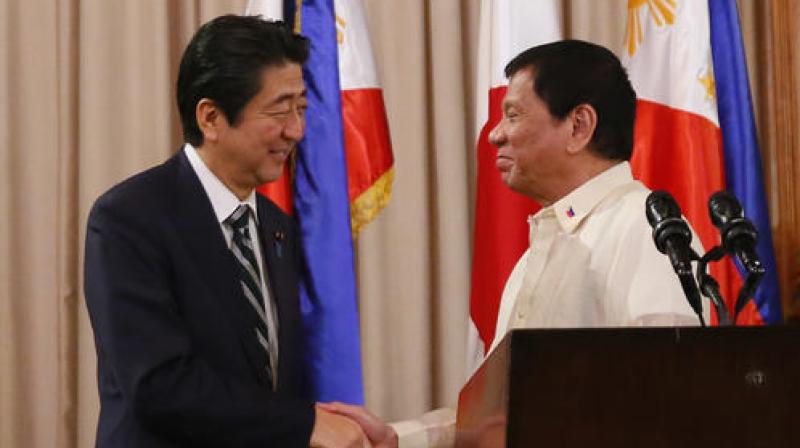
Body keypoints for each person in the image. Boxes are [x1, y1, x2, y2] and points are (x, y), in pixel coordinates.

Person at [326, 39, 706, 448]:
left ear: (579, 126)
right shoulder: (534, 255)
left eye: (513, 115)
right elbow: (497, 419)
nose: (495, 135)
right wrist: (398, 438)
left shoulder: (646, 229)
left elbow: (666, 401)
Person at [84, 15, 395, 447]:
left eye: (302, 108)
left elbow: (269, 383)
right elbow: (160, 385)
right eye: (280, 109)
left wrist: (330, 421)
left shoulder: (276, 227)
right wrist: (303, 423)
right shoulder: (128, 219)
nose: (296, 130)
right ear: (210, 117)